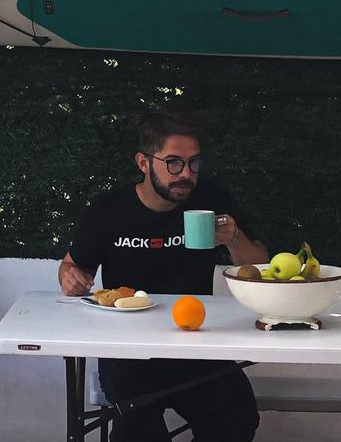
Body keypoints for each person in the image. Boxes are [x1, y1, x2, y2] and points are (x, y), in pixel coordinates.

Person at [60, 109, 270, 442]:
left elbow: (260, 270)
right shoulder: (109, 210)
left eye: (194, 163)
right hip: (128, 348)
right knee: (139, 432)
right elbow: (72, 266)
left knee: (236, 417)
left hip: (197, 342)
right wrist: (71, 277)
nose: (186, 174)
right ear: (144, 163)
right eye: (174, 162)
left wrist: (233, 237)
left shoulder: (211, 200)